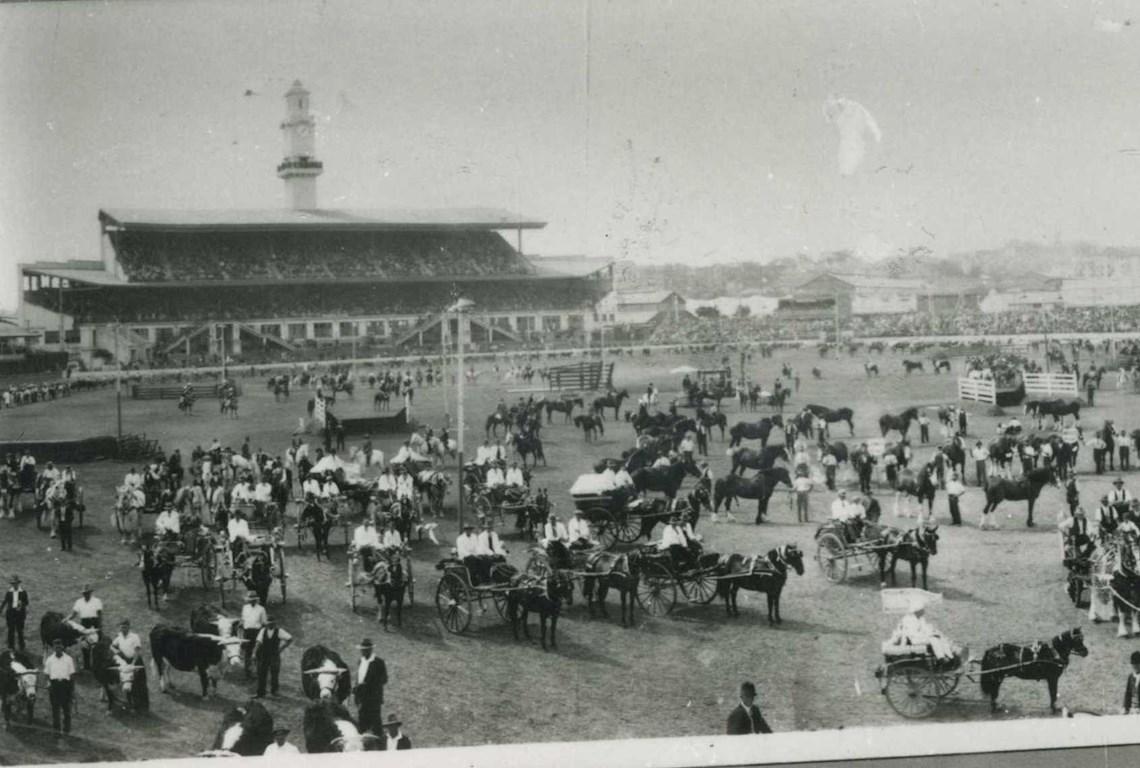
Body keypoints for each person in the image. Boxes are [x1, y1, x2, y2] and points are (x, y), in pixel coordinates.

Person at [882, 598, 955, 662]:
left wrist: (932, 632)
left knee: (939, 637)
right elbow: (913, 634)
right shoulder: (909, 620)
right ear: (917, 611)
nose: (924, 611)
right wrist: (928, 635)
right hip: (915, 639)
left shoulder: (919, 618)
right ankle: (941, 658)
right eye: (922, 610)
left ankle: (949, 655)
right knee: (934, 640)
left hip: (921, 637)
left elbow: (925, 627)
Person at [253, 617, 293, 698]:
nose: (270, 625)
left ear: (274, 624)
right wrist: (254, 653)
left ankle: (274, 692)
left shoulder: (279, 631)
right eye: (268, 623)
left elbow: (290, 639)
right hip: (263, 655)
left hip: (274, 656)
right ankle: (261, 693)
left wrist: (281, 648)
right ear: (266, 624)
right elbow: (258, 642)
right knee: (261, 674)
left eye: (272, 624)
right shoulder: (263, 630)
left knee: (274, 674)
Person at [354, 638, 387, 735]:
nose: (362, 651)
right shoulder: (360, 661)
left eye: (365, 650)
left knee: (375, 723)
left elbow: (384, 679)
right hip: (361, 698)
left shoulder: (378, 662)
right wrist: (356, 691)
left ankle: (380, 744)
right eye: (362, 649)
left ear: (370, 650)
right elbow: (358, 678)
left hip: (373, 698)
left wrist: (367, 685)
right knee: (362, 722)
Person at [44, 638, 76, 735]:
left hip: (65, 685)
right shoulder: (49, 660)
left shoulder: (68, 659)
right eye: (56, 647)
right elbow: (46, 674)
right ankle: (57, 731)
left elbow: (72, 675)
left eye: (59, 647)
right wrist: (48, 683)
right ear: (53, 648)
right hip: (54, 686)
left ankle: (67, 730)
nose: (58, 649)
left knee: (67, 709)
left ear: (62, 647)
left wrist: (72, 689)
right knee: (55, 710)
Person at [69, 584, 103, 669]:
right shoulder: (79, 602)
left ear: (90, 593)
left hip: (95, 623)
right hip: (84, 624)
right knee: (85, 645)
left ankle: (97, 665)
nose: (86, 594)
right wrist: (66, 619)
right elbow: (74, 614)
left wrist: (99, 626)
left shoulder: (96, 601)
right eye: (84, 593)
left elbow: (99, 614)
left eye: (87, 593)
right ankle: (87, 666)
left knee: (96, 645)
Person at [240, 592, 268, 676]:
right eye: (250, 600)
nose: (251, 602)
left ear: (256, 600)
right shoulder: (245, 608)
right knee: (247, 652)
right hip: (247, 632)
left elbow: (264, 623)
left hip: (256, 632)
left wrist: (262, 634)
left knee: (257, 652)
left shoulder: (261, 609)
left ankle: (257, 671)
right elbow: (243, 620)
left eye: (253, 600)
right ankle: (247, 671)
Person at [2, 574, 29, 650]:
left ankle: (22, 646)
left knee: (20, 630)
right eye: (13, 584)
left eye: (16, 583)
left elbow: (26, 602)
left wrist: (21, 604)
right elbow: (5, 601)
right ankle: (11, 646)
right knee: (11, 630)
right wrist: (0, 609)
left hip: (20, 614)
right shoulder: (9, 592)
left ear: (18, 583)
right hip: (10, 613)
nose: (14, 585)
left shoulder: (23, 592)